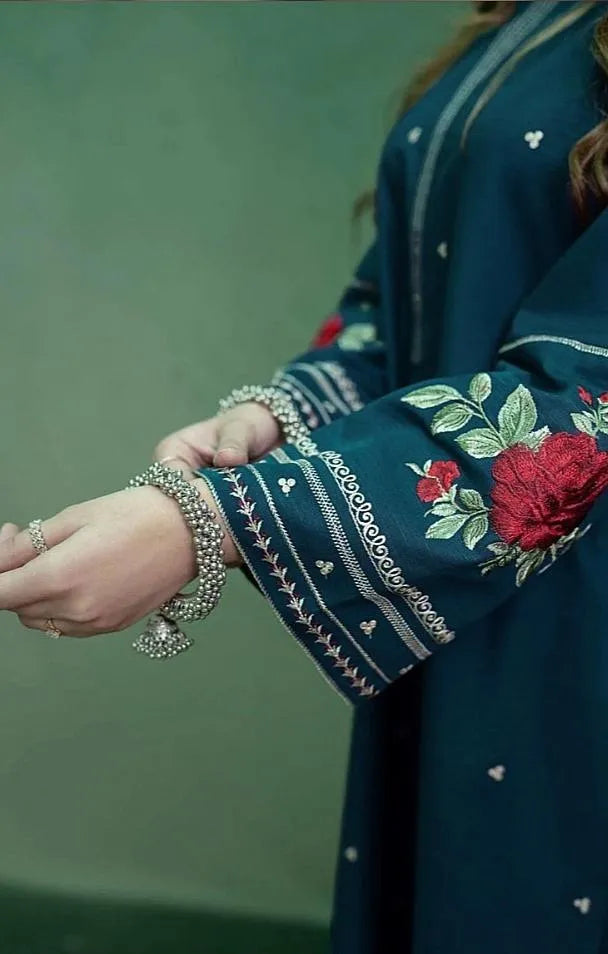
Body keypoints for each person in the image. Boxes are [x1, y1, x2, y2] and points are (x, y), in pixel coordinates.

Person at [1, 0, 608, 950]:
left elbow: (587, 400)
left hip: (574, 620)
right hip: (454, 612)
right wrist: (276, 419)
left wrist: (211, 525)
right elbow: (402, 303)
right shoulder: (524, 23)